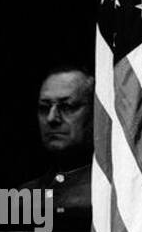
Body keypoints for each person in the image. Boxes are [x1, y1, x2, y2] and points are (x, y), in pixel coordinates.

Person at [20, 67, 93, 222]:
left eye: (67, 107)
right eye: (44, 108)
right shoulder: (24, 196)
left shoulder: (113, 193)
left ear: (95, 112)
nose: (52, 118)